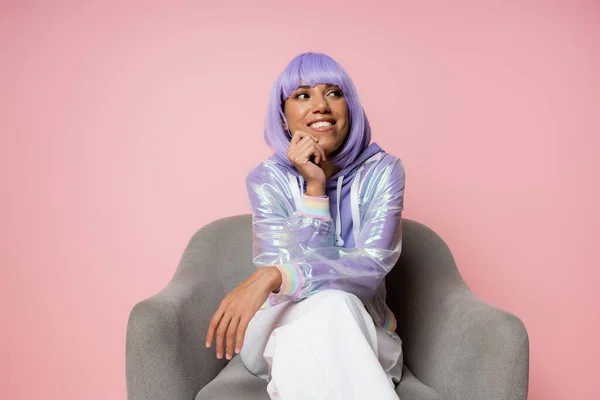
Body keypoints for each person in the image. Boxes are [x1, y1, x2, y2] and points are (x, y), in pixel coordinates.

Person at [205, 51, 406, 400]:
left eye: (333, 93)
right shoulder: (266, 180)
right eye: (302, 95)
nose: (320, 106)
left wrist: (275, 274)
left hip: (366, 332)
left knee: (332, 306)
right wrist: (314, 189)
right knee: (324, 307)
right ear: (284, 118)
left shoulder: (384, 171)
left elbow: (370, 266)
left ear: (350, 108)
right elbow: (290, 291)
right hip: (278, 324)